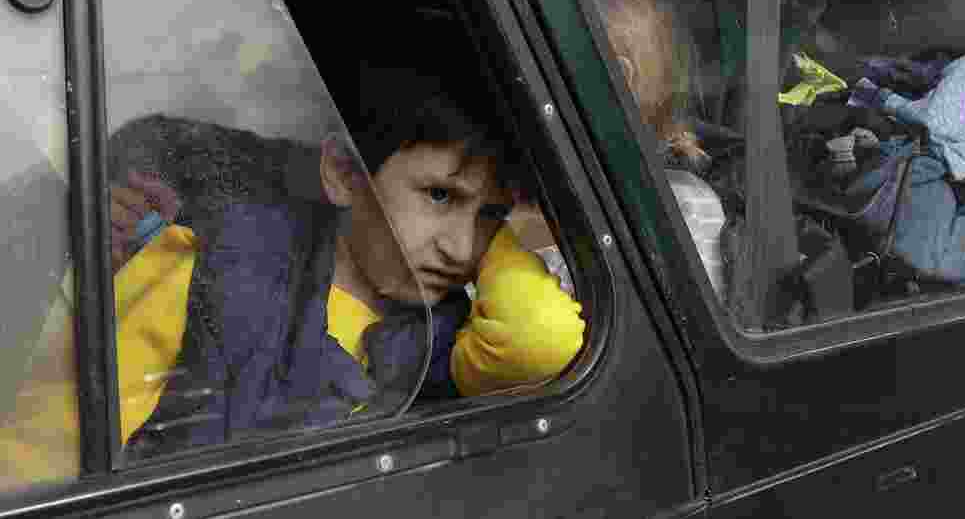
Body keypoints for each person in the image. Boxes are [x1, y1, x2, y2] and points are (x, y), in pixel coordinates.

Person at [0, 57, 586, 480]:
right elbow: (39, 464)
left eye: (490, 215)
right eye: (438, 196)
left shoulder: (460, 338)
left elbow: (545, 340)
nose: (462, 248)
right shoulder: (208, 264)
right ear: (344, 174)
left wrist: (493, 237)